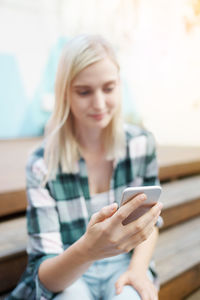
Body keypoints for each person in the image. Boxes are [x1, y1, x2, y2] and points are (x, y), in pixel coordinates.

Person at [8, 34, 163, 300]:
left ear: (119, 85)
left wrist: (138, 271)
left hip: (124, 261)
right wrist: (90, 249)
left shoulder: (140, 144)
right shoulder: (41, 163)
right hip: (70, 263)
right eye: (84, 92)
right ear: (65, 92)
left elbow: (150, 222)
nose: (100, 104)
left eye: (109, 88)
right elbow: (45, 275)